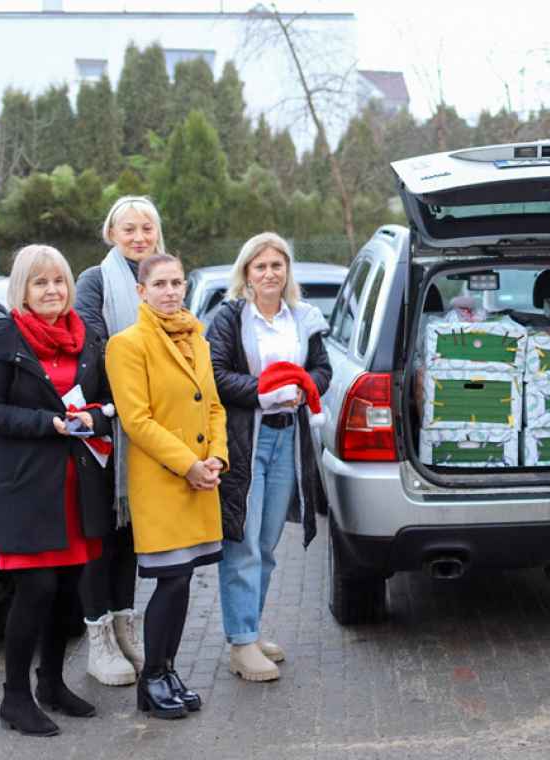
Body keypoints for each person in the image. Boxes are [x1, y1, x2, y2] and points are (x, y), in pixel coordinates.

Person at [0, 245, 114, 736]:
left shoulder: (87, 336)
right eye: (40, 283)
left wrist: (94, 417)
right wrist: (46, 423)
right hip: (28, 489)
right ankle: (15, 698)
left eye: (58, 281)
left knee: (69, 592)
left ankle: (51, 683)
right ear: (22, 289)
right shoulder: (2, 335)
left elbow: (106, 403)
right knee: (37, 590)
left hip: (79, 486)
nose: (52, 290)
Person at [105, 253, 228, 720]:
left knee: (184, 581)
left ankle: (167, 669)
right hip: (163, 482)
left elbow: (214, 406)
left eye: (177, 282)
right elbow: (137, 421)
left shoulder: (197, 336)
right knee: (170, 581)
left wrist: (216, 457)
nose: (171, 290)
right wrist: (188, 465)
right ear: (142, 291)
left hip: (201, 479)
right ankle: (151, 679)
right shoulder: (126, 344)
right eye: (160, 283)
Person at [206, 232, 332, 682]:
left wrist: (303, 387)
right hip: (247, 441)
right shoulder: (228, 319)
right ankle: (241, 643)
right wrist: (263, 392)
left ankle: (252, 630)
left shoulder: (302, 318)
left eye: (276, 265)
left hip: (287, 440)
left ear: (287, 272)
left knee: (266, 544)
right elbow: (216, 376)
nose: (269, 273)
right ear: (246, 273)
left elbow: (322, 369)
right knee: (240, 542)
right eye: (259, 266)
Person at [74, 195, 165, 685]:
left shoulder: (160, 277)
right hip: (105, 427)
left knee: (131, 533)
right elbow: (94, 341)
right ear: (111, 234)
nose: (138, 237)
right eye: (128, 229)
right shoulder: (94, 281)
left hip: (147, 428)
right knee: (99, 534)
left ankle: (128, 627)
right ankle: (99, 639)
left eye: (146, 228)